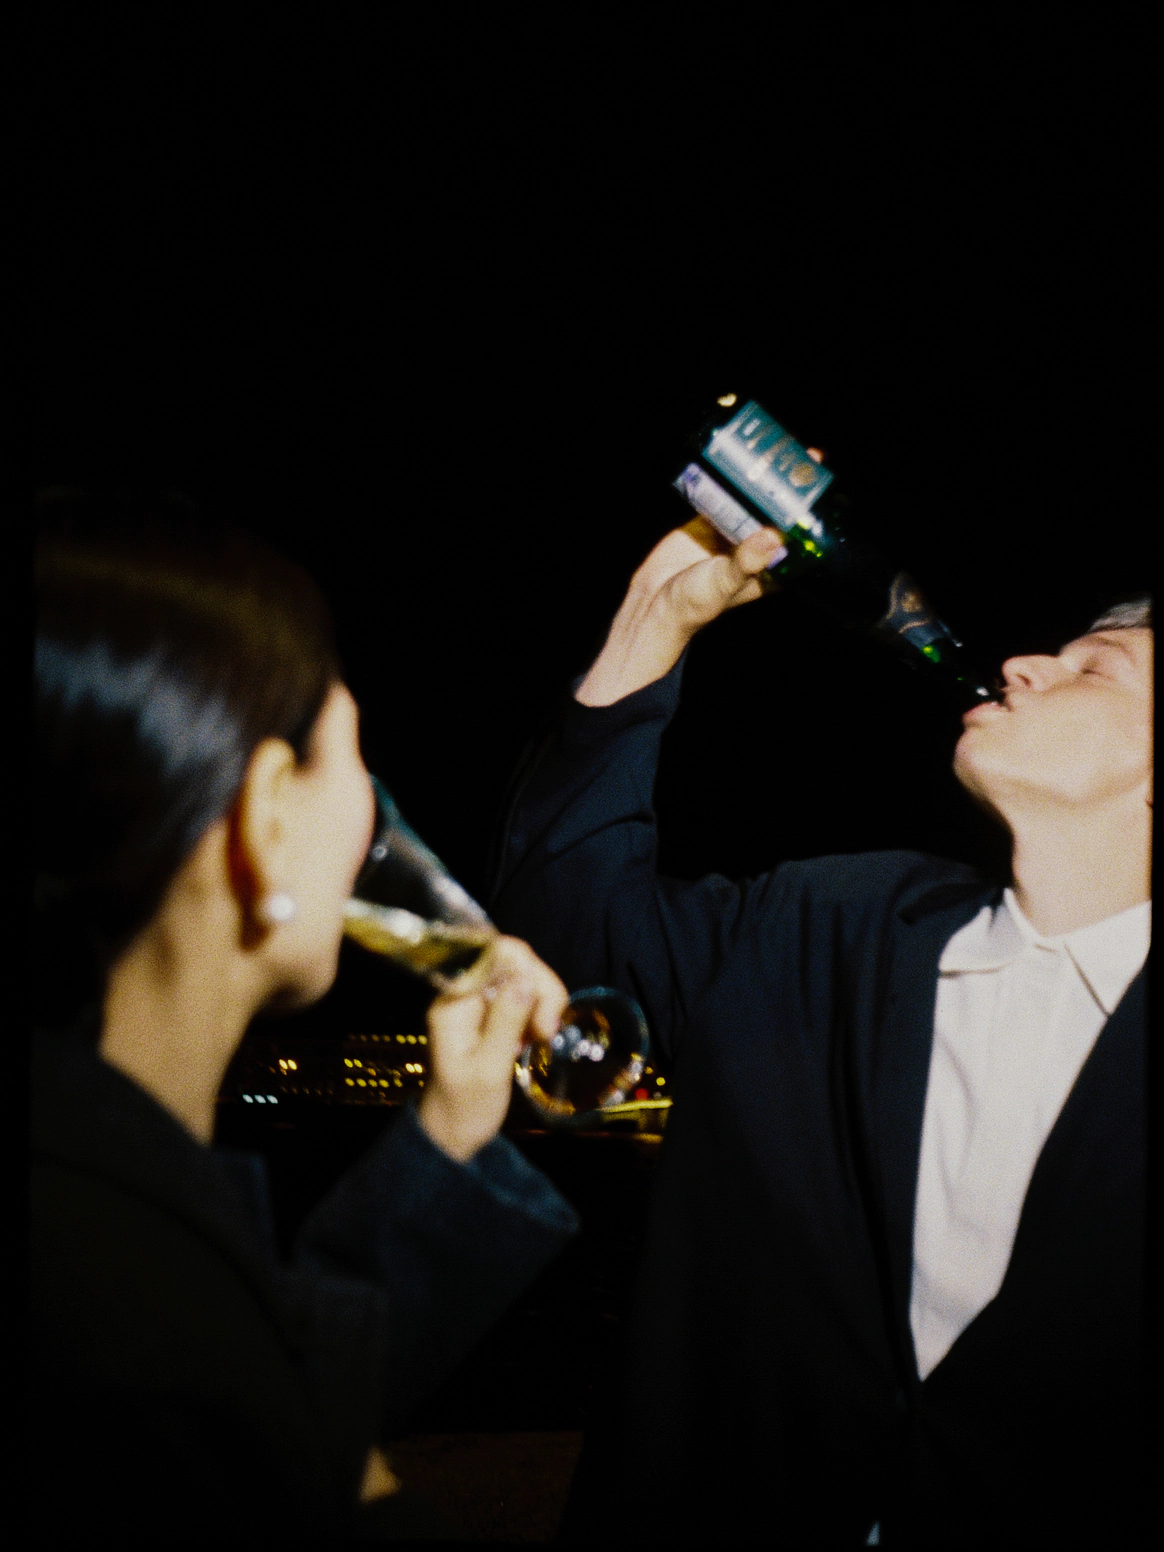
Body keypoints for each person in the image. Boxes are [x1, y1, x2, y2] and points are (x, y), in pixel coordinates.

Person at [489, 514, 1150, 1547]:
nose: (1023, 665)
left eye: (1093, 670)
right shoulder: (823, 923)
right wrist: (650, 628)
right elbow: (563, 939)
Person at [30, 492, 579, 1541]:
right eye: (358, 767)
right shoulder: (116, 1320)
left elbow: (271, 1356)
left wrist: (448, 1135)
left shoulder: (109, 1195)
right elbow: (251, 1411)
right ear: (266, 815)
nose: (374, 818)